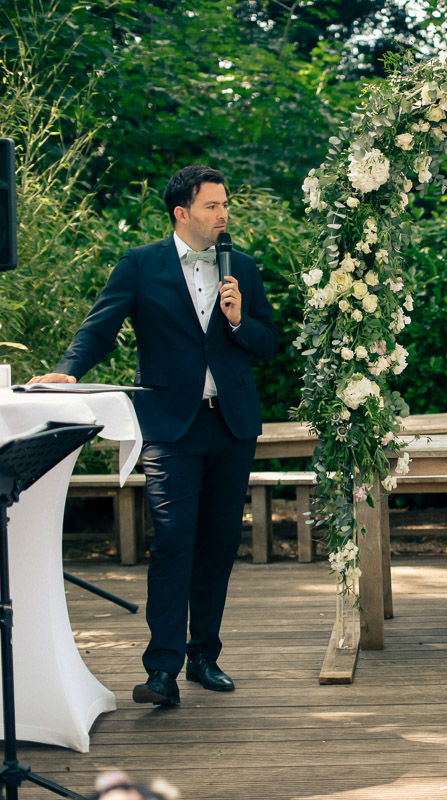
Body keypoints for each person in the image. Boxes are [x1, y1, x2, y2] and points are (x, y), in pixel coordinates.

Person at [30, 165, 276, 706]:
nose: (223, 215)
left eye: (225, 204)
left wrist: (238, 321)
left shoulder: (245, 269)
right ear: (181, 213)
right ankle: (161, 669)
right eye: (212, 206)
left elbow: (268, 342)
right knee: (171, 541)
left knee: (216, 545)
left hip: (232, 424)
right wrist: (68, 370)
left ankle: (203, 656)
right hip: (169, 425)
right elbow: (101, 324)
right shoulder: (140, 265)